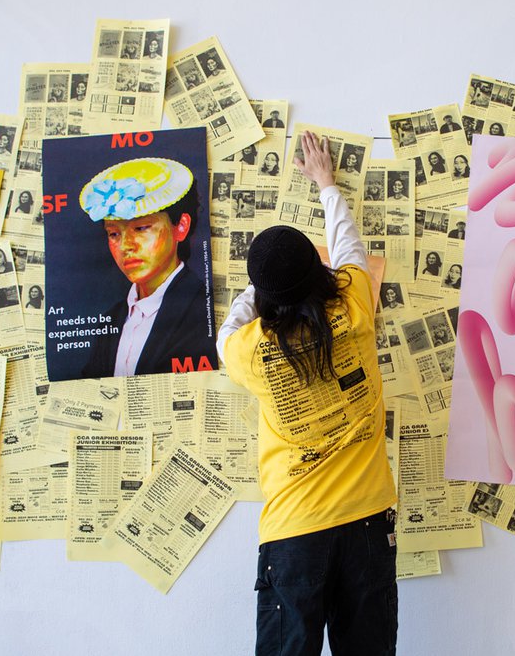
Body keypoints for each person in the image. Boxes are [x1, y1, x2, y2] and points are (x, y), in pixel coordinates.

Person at [217, 131, 398, 655]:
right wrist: (326, 184)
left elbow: (226, 331)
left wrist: (261, 289)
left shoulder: (252, 352)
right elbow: (348, 248)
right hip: (368, 522)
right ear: (320, 275)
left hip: (294, 531)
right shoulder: (356, 308)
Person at [80, 158, 217, 378]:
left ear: (181, 227)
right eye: (114, 233)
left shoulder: (204, 307)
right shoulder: (111, 319)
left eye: (141, 228)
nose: (126, 246)